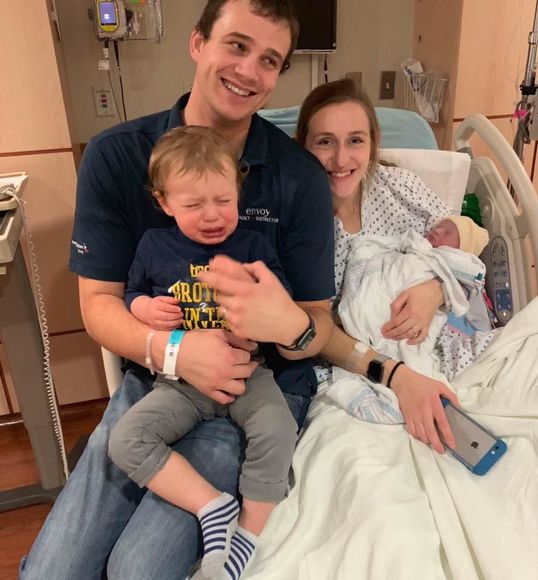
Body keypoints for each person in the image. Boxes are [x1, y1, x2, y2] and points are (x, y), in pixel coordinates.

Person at [20, 2, 337, 579]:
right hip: (158, 382)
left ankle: (241, 533)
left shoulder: (298, 178)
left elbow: (316, 322)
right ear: (197, 43)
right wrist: (174, 351)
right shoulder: (117, 157)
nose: (249, 70)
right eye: (236, 45)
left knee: (138, 569)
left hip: (253, 384)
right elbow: (99, 304)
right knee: (52, 573)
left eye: (270, 60)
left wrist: (281, 323)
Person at [108, 125, 306, 579]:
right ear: (164, 202)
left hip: (245, 374)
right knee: (125, 440)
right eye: (194, 205)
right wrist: (145, 308)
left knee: (279, 429)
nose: (213, 215)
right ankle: (212, 507)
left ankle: (249, 534)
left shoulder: (253, 246)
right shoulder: (154, 245)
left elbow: (282, 302)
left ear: (238, 192)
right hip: (179, 383)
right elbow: (131, 293)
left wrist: (257, 312)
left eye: (223, 200)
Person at [292, 78, 496, 453]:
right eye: (325, 142)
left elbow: (461, 246)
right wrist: (397, 376)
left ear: (373, 143)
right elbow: (307, 329)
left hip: (441, 344)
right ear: (301, 147)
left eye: (355, 140)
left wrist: (435, 290)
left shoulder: (400, 186)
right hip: (356, 365)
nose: (341, 159)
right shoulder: (296, 216)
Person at [326, 215, 492, 425]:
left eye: (448, 232)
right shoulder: (409, 245)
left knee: (412, 354)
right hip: (360, 320)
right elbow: (377, 251)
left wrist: (438, 289)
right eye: (439, 227)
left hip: (408, 331)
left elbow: (473, 273)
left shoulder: (447, 262)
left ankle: (403, 394)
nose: (437, 231)